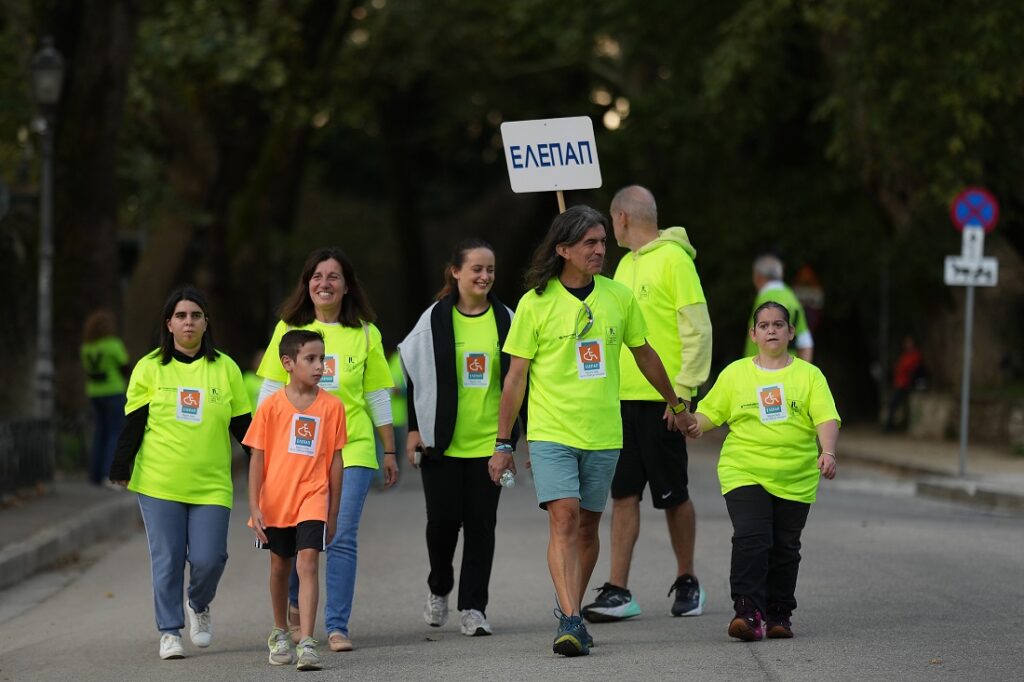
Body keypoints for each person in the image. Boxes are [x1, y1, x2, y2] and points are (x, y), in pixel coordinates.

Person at [491, 205, 699, 657]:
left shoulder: (618, 297)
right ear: (563, 249)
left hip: (604, 433)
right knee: (563, 518)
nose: (600, 250)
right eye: (589, 243)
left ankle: (569, 604)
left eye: (603, 241)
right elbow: (515, 378)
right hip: (551, 431)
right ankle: (570, 618)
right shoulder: (535, 302)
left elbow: (645, 355)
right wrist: (504, 442)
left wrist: (676, 403)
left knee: (587, 526)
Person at [583, 186, 713, 624]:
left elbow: (697, 327)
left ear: (620, 217)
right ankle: (619, 590)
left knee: (674, 494)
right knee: (623, 495)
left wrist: (684, 393)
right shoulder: (621, 266)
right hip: (619, 401)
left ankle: (688, 580)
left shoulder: (676, 259)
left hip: (663, 402)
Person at [256, 247, 396, 653]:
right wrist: (261, 453)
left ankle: (336, 626)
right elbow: (269, 390)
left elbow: (377, 395)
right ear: (307, 284)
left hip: (351, 449)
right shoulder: (288, 327)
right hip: (296, 455)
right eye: (317, 276)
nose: (325, 283)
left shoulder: (367, 333)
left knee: (342, 536)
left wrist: (388, 451)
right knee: (301, 540)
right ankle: (298, 605)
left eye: (333, 276)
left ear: (346, 285)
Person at [109, 286, 251, 660]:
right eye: (181, 316)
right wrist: (121, 466)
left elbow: (244, 427)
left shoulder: (226, 367)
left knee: (210, 559)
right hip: (160, 482)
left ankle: (199, 604)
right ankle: (169, 631)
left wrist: (272, 464)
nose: (189, 322)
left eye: (196, 315)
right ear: (169, 324)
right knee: (168, 557)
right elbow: (134, 423)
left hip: (211, 484)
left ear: (206, 322)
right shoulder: (149, 367)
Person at [692, 301, 839, 641]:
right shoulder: (736, 374)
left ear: (790, 333)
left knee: (785, 547)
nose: (771, 329)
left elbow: (825, 417)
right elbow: (710, 413)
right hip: (744, 469)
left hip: (795, 475)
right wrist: (691, 423)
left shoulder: (809, 375)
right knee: (751, 537)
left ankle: (778, 613)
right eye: (764, 325)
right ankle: (747, 611)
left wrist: (827, 451)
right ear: (753, 334)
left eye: (779, 324)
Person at [399, 238, 523, 638]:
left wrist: (512, 441)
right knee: (442, 524)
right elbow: (417, 378)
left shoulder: (507, 318)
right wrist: (414, 429)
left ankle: (473, 607)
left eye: (490, 269)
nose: (485, 276)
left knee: (482, 526)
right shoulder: (434, 319)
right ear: (455, 272)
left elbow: (521, 382)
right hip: (441, 443)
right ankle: (439, 587)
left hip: (491, 443)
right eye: (476, 269)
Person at [245, 330, 345, 671]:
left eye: (322, 359)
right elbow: (256, 457)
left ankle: (307, 641)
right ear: (288, 363)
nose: (319, 366)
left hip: (313, 497)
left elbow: (335, 460)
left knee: (308, 563)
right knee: (279, 566)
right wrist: (254, 506)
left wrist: (332, 512)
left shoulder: (332, 406)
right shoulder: (271, 405)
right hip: (275, 500)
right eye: (311, 359)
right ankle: (280, 631)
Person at [80, 308, 129, 486]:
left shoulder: (86, 348)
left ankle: (94, 473)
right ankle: (109, 474)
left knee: (99, 432)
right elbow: (125, 366)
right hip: (113, 391)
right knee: (115, 432)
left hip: (94, 392)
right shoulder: (113, 345)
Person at [745, 254, 813, 362]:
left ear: (758, 277)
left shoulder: (764, 298)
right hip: (787, 370)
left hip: (762, 372)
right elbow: (805, 342)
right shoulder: (791, 297)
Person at [884, 335, 923, 431]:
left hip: (905, 384)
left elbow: (912, 370)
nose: (907, 345)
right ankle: (890, 424)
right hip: (899, 383)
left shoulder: (915, 355)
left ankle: (890, 425)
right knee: (892, 404)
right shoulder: (905, 355)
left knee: (893, 403)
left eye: (909, 342)